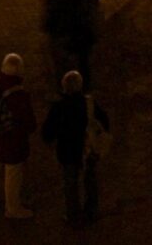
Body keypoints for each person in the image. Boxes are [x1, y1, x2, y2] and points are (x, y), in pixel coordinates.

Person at [38, 70, 107, 226]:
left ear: (64, 87)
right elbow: (104, 119)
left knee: (70, 183)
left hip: (68, 151)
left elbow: (48, 131)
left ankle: (73, 216)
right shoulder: (89, 103)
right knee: (90, 180)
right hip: (88, 149)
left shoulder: (59, 107)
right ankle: (91, 212)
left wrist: (49, 139)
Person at [0, 51, 38, 218]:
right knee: (12, 177)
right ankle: (12, 208)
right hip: (13, 145)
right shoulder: (20, 96)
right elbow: (30, 124)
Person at [41, 0, 96, 84]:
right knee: (83, 65)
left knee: (63, 66)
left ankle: (67, 89)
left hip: (67, 37)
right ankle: (85, 87)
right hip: (82, 35)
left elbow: (48, 23)